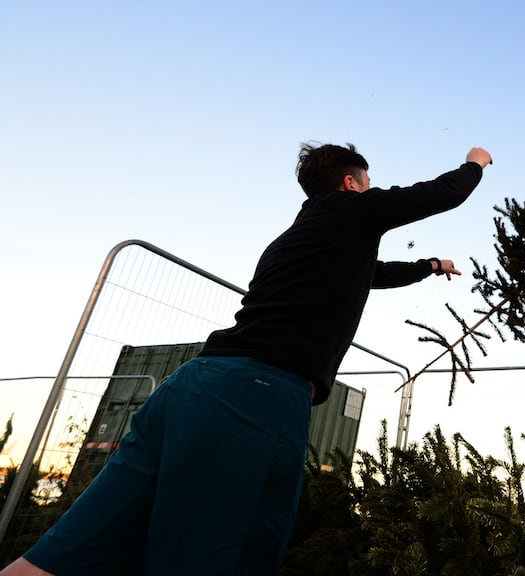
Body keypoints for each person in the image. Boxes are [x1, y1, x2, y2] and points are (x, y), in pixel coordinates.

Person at [1, 143, 493, 576]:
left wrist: (428, 267)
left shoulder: (297, 241)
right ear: (350, 184)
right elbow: (437, 194)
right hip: (256, 399)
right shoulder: (350, 211)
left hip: (192, 388)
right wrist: (475, 163)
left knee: (54, 560)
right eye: (369, 183)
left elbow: (373, 273)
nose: (372, 190)